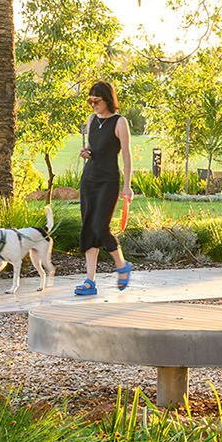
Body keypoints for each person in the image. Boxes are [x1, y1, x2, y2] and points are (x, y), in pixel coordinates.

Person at [74, 80, 133, 296]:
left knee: (100, 226)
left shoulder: (119, 122)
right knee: (88, 227)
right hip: (89, 179)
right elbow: (93, 147)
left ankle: (122, 265)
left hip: (108, 181)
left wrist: (127, 186)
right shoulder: (91, 119)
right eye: (90, 101)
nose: (93, 105)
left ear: (107, 99)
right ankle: (90, 281)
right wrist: (85, 152)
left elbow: (126, 156)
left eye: (96, 101)